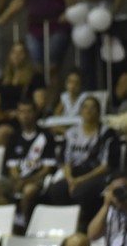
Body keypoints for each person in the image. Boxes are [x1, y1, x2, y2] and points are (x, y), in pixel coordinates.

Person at [44, 96, 120, 230]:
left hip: (98, 175)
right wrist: (70, 179)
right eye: (85, 107)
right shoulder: (71, 133)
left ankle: (83, 226)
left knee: (82, 192)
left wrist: (80, 180)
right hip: (75, 174)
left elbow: (106, 165)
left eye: (92, 107)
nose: (89, 111)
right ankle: (64, 226)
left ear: (99, 111)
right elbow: (65, 161)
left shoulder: (107, 134)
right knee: (56, 190)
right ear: (80, 111)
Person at [0, 99, 56, 227]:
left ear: (35, 113)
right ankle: (12, 217)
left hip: (37, 179)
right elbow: (12, 166)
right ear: (17, 114)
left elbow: (48, 167)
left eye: (28, 111)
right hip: (16, 179)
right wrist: (18, 179)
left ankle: (24, 219)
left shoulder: (46, 136)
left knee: (29, 190)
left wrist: (27, 180)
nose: (25, 115)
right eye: (21, 111)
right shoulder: (13, 137)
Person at [88, 176, 127, 246]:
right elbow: (92, 235)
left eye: (124, 189)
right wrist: (105, 206)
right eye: (116, 190)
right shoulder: (108, 212)